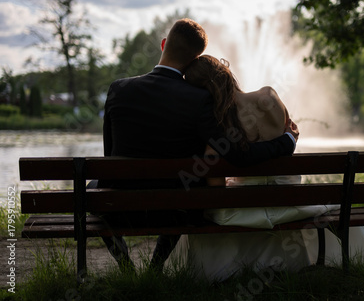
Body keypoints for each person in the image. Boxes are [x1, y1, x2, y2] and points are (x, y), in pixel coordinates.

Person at [164, 55, 364, 282]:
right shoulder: (268, 96)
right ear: (226, 72)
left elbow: (215, 185)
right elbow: (286, 143)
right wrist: (289, 140)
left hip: (245, 210)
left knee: (201, 216)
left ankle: (214, 271)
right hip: (290, 203)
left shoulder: (218, 126)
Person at [97, 19, 299, 272]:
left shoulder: (118, 89)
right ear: (195, 58)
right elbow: (235, 154)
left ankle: (125, 266)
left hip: (120, 209)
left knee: (95, 187)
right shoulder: (200, 98)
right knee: (182, 186)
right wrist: (286, 141)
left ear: (163, 44)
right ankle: (155, 267)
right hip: (178, 210)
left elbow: (108, 160)